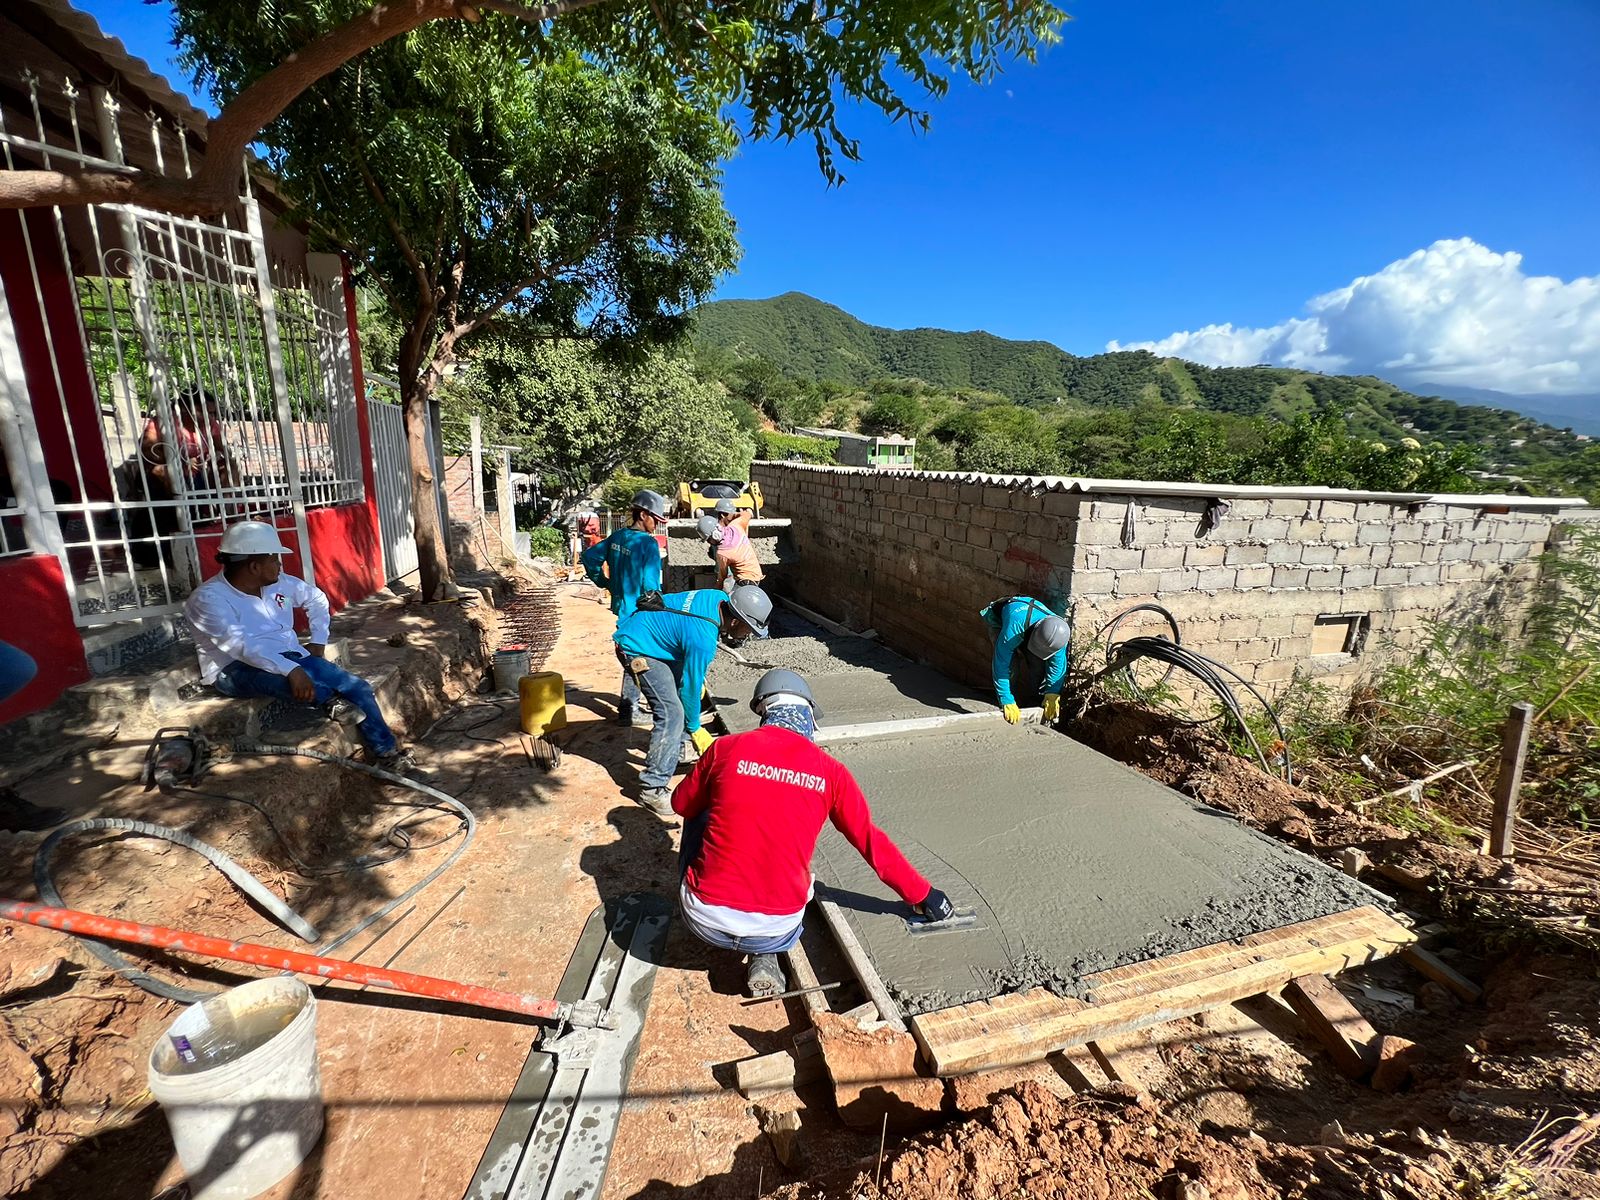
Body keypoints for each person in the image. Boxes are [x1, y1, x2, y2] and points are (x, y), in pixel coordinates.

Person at [672, 668, 956, 997]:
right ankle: (766, 955)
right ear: (808, 716)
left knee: (700, 808)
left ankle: (697, 889)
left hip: (702, 919)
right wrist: (925, 895)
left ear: (764, 712)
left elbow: (680, 805)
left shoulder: (725, 749)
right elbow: (869, 841)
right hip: (779, 928)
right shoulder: (831, 773)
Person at [184, 521, 414, 772]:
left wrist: (317, 639)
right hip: (234, 669)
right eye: (274, 559)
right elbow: (240, 645)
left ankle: (387, 753)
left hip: (289, 656)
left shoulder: (279, 583)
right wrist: (291, 671)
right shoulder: (208, 599)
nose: (280, 564)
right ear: (254, 566)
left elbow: (316, 599)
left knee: (357, 687)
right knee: (281, 682)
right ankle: (328, 699)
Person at [614, 584, 772, 815]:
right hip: (638, 647)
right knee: (672, 714)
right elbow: (690, 686)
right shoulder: (703, 640)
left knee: (681, 696)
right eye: (748, 630)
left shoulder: (717, 598)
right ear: (736, 622)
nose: (747, 636)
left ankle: (674, 750)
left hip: (659, 636)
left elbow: (686, 631)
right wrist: (695, 727)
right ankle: (652, 788)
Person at [582, 490, 668, 726]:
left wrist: (604, 581)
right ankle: (630, 710)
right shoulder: (647, 544)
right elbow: (651, 586)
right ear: (643, 514)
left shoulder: (617, 537)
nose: (656, 526)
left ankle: (628, 706)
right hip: (640, 611)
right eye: (655, 520)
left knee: (631, 652)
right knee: (639, 657)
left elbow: (589, 558)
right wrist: (660, 610)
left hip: (622, 605)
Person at [980, 595, 1070, 725]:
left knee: (1038, 666)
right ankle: (1007, 704)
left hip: (1031, 629)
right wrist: (1006, 699)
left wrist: (1052, 693)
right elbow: (1001, 663)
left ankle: (1033, 702)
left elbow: (1058, 665)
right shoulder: (1013, 627)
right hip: (1002, 623)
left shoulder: (1060, 634)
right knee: (1011, 668)